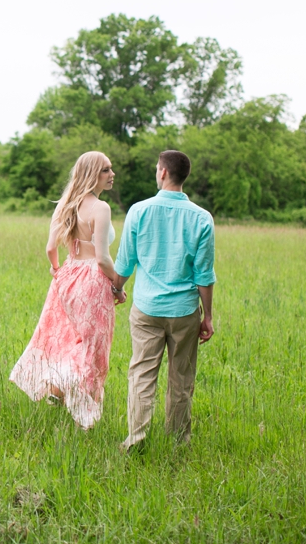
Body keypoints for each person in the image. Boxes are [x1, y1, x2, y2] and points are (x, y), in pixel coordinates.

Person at [9, 151, 126, 430]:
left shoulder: (65, 204)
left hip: (67, 275)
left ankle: (59, 390)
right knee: (93, 346)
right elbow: (102, 258)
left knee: (65, 338)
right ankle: (82, 413)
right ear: (92, 174)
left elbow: (51, 248)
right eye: (105, 170)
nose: (112, 174)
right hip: (92, 279)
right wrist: (118, 285)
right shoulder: (101, 208)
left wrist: (56, 270)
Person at [112, 150, 216, 450]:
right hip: (184, 312)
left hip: (146, 308)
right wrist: (207, 316)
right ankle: (178, 442)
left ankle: (136, 439)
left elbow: (125, 263)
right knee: (181, 379)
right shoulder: (201, 218)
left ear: (162, 173)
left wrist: (117, 289)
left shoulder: (139, 211)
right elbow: (204, 275)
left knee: (141, 373)